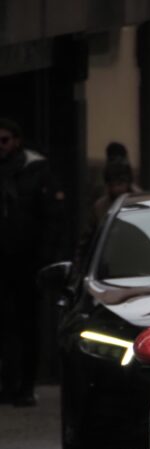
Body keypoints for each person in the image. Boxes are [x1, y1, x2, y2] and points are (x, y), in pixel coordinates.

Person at [0, 118, 60, 407]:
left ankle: (25, 385)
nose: (2, 147)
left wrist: (43, 260)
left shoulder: (35, 170)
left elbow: (50, 219)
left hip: (26, 262)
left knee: (26, 325)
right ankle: (8, 384)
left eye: (5, 140)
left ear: (17, 141)